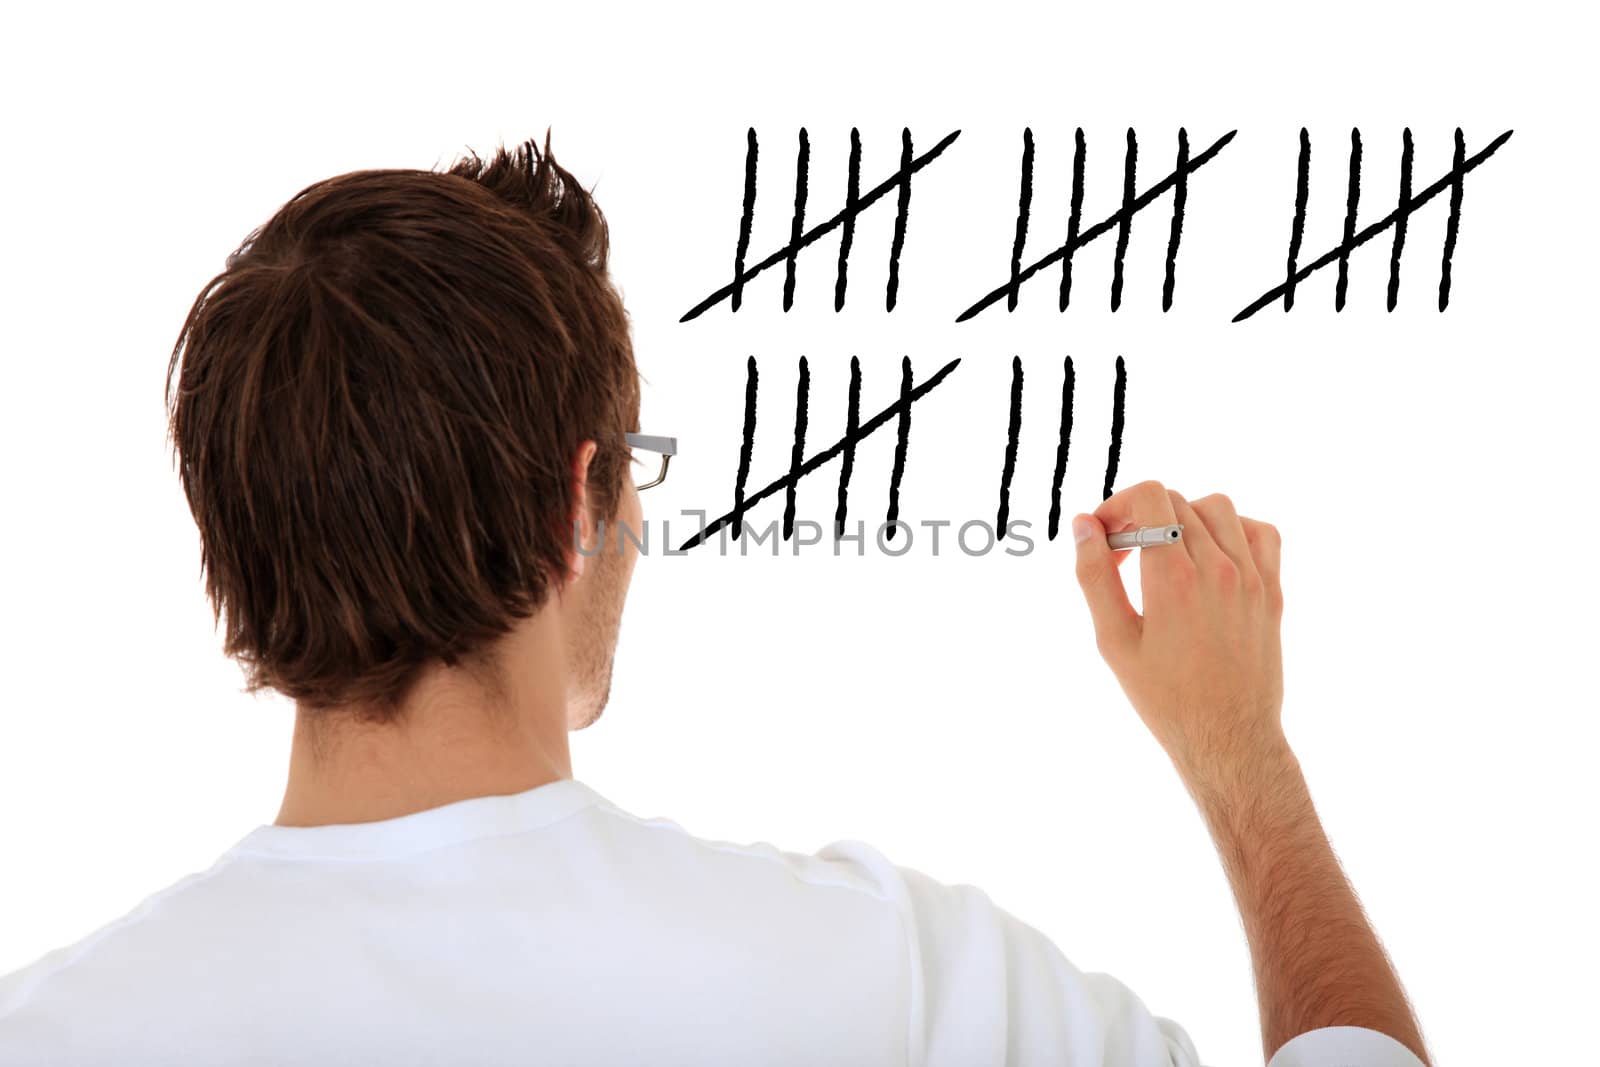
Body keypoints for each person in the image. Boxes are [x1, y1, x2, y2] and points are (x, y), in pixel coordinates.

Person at [0, 136, 1430, 1066]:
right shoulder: (886, 984)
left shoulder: (57, 1032)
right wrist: (1244, 757)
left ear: (227, 550)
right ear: (581, 505)